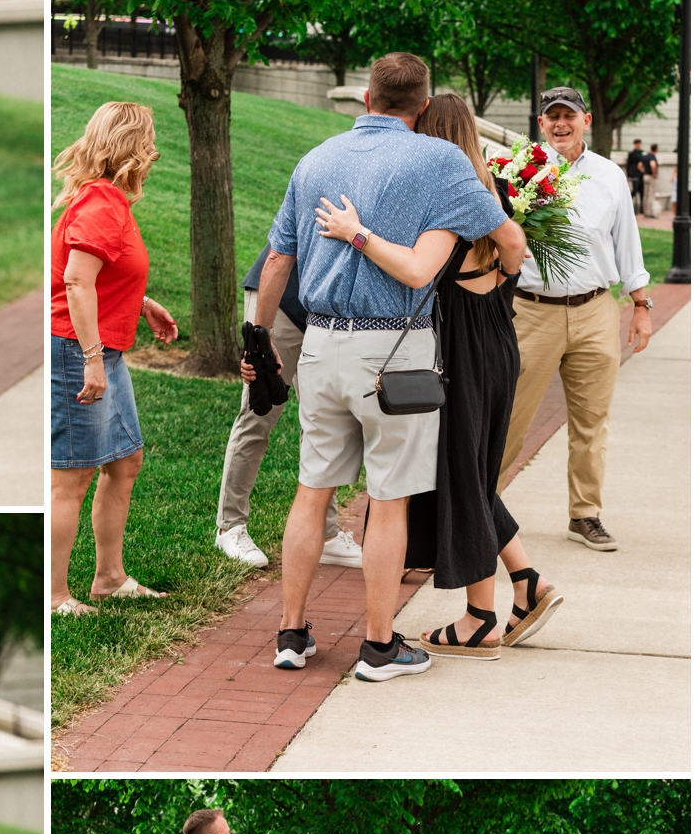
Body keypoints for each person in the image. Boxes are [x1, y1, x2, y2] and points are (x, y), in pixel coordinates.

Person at [246, 52, 529, 681]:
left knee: (311, 493)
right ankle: (379, 648)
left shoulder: (315, 160)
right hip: (395, 355)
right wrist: (505, 282)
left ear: (366, 100)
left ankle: (290, 635)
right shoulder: (442, 161)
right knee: (389, 500)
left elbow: (275, 262)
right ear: (422, 107)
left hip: (321, 345)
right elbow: (508, 241)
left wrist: (257, 341)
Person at [314, 95, 564, 655]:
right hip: (499, 339)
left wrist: (357, 234)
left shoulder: (443, 195)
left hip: (456, 346)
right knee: (471, 470)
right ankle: (520, 586)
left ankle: (489, 611)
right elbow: (516, 249)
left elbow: (416, 269)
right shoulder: (490, 194)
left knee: (462, 473)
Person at [496, 87, 654, 552]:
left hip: (595, 310)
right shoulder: (517, 171)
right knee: (510, 416)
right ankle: (485, 508)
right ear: (540, 123)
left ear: (585, 120)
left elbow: (628, 242)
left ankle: (585, 514)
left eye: (569, 116)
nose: (560, 124)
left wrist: (640, 306)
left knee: (592, 420)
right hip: (530, 311)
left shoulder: (609, 175)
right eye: (552, 117)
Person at [49, 101, 179, 615]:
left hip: (105, 347)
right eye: (148, 144)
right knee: (73, 475)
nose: (154, 154)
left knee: (124, 462)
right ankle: (56, 594)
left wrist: (141, 303)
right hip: (77, 351)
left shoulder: (107, 201)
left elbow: (99, 274)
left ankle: (109, 578)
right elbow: (75, 281)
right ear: (132, 149)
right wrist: (93, 358)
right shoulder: (101, 205)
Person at [215, 245, 360, 571]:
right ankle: (230, 527)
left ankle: (327, 534)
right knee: (259, 415)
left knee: (327, 421)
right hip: (279, 298)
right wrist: (260, 335)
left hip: (325, 310)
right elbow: (282, 251)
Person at [626, 139, 648, 214]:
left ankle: (642, 208)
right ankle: (629, 204)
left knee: (642, 191)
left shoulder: (642, 153)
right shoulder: (632, 153)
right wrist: (629, 175)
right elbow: (629, 164)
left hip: (641, 174)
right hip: (634, 174)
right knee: (635, 190)